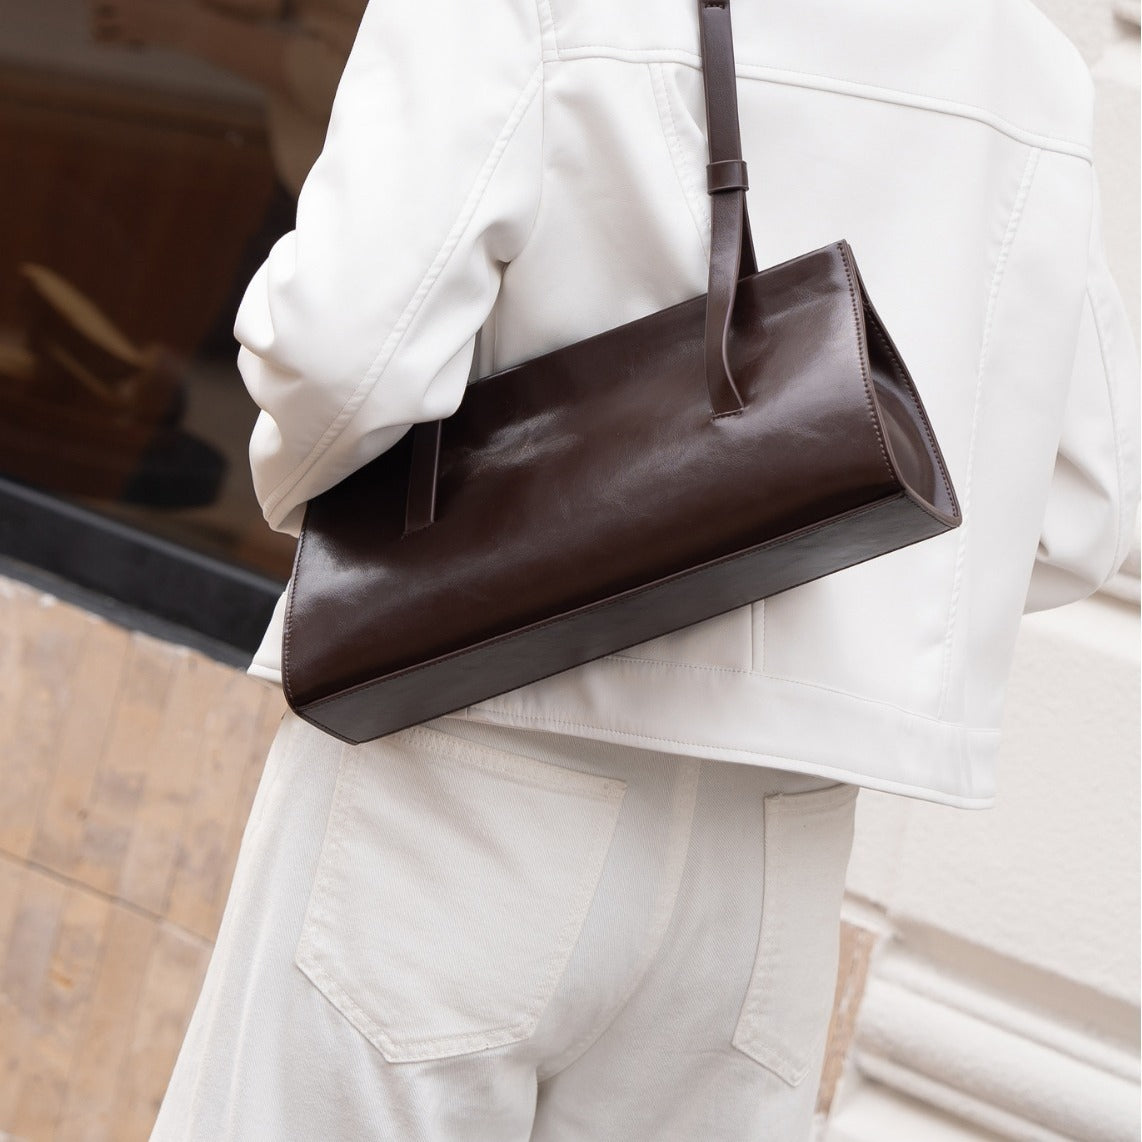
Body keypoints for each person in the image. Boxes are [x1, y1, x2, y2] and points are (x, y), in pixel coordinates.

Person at [150, 0, 1140, 1138]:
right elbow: (1076, 509)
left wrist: (344, 519)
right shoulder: (1022, 56)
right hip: (768, 856)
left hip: (459, 758)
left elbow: (337, 354)